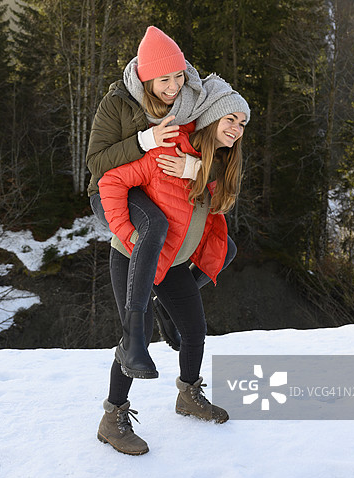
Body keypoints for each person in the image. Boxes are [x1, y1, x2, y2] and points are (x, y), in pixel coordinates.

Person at [96, 82, 250, 455]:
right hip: (134, 257)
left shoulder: (218, 163)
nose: (237, 128)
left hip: (176, 262)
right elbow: (110, 180)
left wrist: (197, 169)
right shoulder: (168, 150)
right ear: (211, 118)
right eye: (231, 118)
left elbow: (223, 198)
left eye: (243, 123)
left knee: (194, 330)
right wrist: (126, 232)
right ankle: (112, 418)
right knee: (136, 337)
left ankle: (188, 396)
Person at [87, 25, 238, 379]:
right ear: (144, 80)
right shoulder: (118, 103)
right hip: (116, 189)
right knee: (154, 225)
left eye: (178, 76)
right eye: (163, 80)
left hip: (162, 183)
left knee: (223, 247)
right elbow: (96, 163)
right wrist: (145, 140)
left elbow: (217, 145)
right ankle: (135, 335)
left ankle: (166, 307)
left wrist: (195, 166)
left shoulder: (192, 102)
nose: (173, 87)